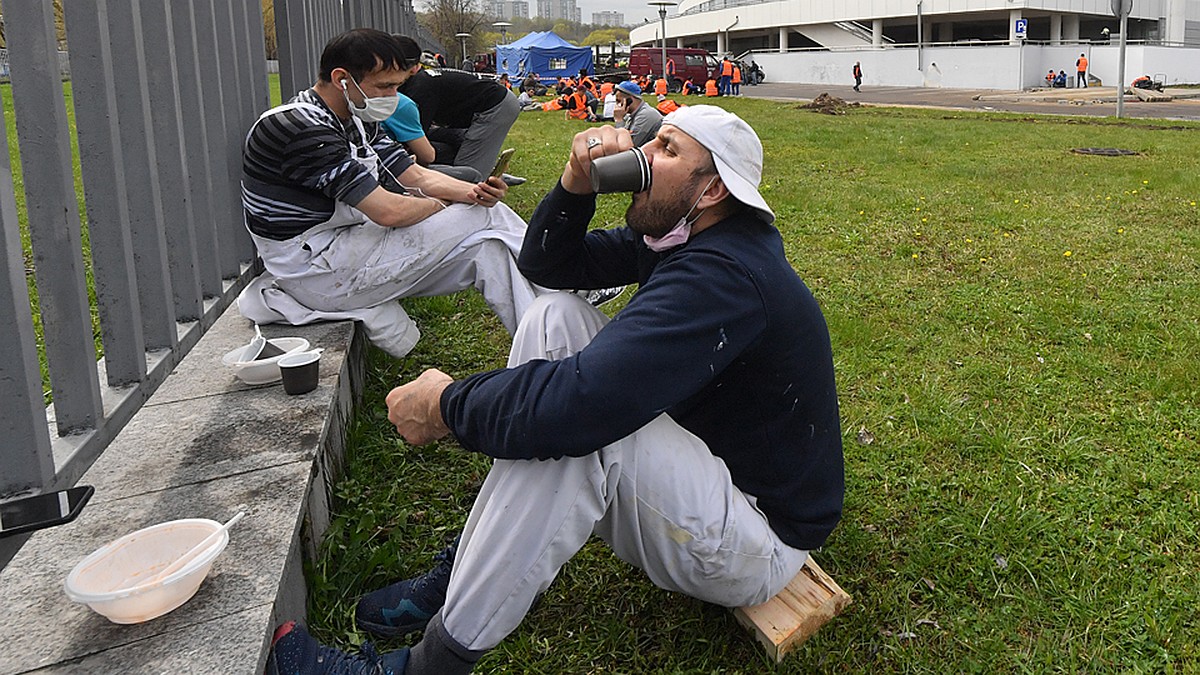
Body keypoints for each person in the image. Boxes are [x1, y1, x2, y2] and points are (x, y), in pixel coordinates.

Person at [271, 104, 844, 675]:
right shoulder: (684, 233)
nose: (641, 155)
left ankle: (425, 667)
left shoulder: (725, 275)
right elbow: (547, 265)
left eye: (666, 149)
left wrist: (447, 405)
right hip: (706, 477)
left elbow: (583, 405)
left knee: (583, 428)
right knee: (555, 318)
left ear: (713, 188)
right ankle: (475, 562)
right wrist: (575, 184)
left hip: (755, 541)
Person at [238, 28, 541, 358]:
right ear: (342, 78)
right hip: (316, 271)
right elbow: (389, 212)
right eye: (385, 86)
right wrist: (448, 202)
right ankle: (563, 273)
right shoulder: (300, 127)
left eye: (397, 85)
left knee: (489, 251)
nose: (393, 96)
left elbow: (413, 174)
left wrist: (472, 191)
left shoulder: (356, 119)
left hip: (340, 252)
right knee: (484, 214)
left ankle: (545, 351)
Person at [396, 38, 523, 185]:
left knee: (468, 176)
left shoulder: (419, 88)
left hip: (494, 106)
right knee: (464, 157)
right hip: (494, 101)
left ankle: (488, 177)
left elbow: (418, 136)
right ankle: (490, 172)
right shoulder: (422, 80)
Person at [612, 80, 662, 147]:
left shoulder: (645, 115)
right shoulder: (632, 115)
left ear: (630, 100)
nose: (617, 105)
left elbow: (627, 146)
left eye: (618, 101)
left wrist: (619, 120)